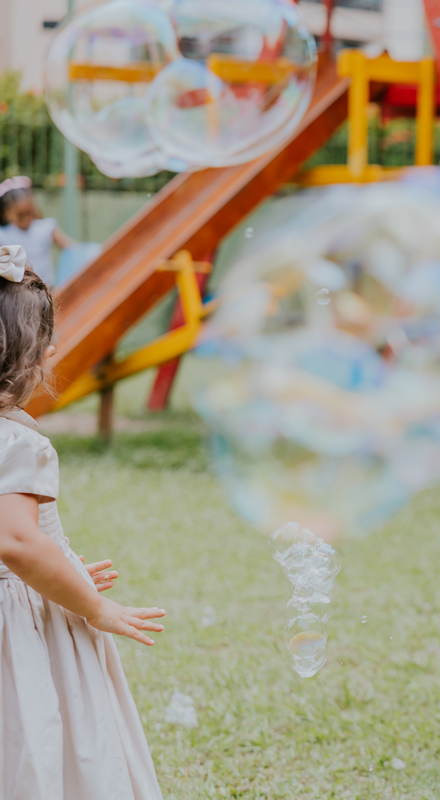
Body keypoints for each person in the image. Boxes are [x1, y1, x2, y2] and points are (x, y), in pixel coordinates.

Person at [0, 244, 167, 799]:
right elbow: (18, 543)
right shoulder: (18, 443)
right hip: (16, 635)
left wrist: (62, 573)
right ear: (28, 357)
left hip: (26, 597)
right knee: (35, 741)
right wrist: (93, 606)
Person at [0, 177, 77, 288]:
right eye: (20, 215)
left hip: (46, 289)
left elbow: (71, 247)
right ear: (6, 213)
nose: (26, 219)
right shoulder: (3, 235)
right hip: (19, 291)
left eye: (30, 212)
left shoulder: (45, 228)